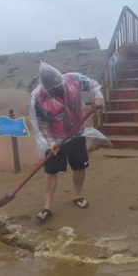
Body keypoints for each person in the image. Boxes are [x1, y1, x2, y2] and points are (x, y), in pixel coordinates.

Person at [30, 62, 105, 223]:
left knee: (79, 167)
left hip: (77, 135)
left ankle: (77, 195)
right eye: (52, 90)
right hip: (56, 139)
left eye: (58, 87)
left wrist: (98, 96)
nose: (56, 91)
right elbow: (42, 123)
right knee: (50, 172)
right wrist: (50, 143)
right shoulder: (39, 97)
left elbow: (92, 85)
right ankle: (47, 206)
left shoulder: (74, 79)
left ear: (61, 80)